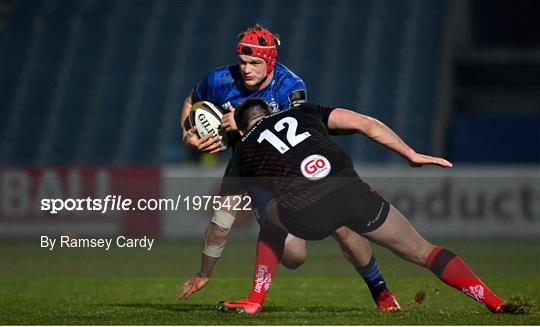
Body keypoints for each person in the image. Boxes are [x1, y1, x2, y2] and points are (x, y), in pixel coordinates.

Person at [215, 97, 517, 314]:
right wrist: (410, 154)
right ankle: (493, 301)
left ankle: (255, 299)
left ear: (241, 130)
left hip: (305, 214)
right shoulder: (305, 112)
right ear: (272, 110)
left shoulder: (243, 150)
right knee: (425, 251)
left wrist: (205, 269)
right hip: (351, 192)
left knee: (269, 219)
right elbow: (365, 124)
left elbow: (223, 215)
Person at [178, 25, 400, 312]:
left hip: (290, 168)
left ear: (270, 62)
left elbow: (290, 129)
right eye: (243, 62)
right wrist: (188, 134)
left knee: (342, 227)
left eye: (255, 63)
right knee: (291, 255)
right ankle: (205, 274)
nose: (246, 69)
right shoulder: (218, 79)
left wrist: (242, 121)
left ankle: (380, 290)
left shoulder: (290, 86)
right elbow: (190, 101)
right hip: (250, 167)